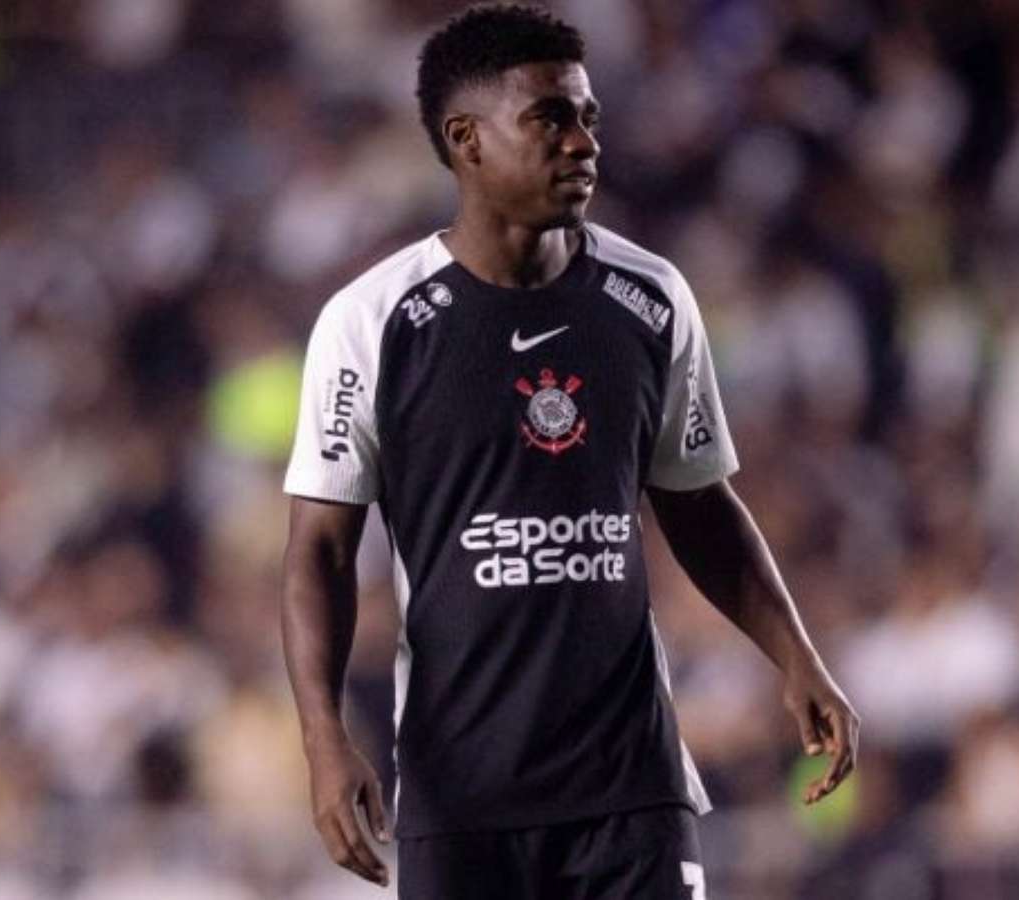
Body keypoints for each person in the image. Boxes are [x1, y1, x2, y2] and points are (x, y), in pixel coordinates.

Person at [281, 5, 859, 897]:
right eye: (550, 118)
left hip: (631, 787)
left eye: (588, 116)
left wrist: (796, 655)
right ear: (466, 140)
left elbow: (701, 504)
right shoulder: (371, 323)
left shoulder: (651, 298)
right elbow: (319, 550)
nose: (583, 142)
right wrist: (325, 740)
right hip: (460, 794)